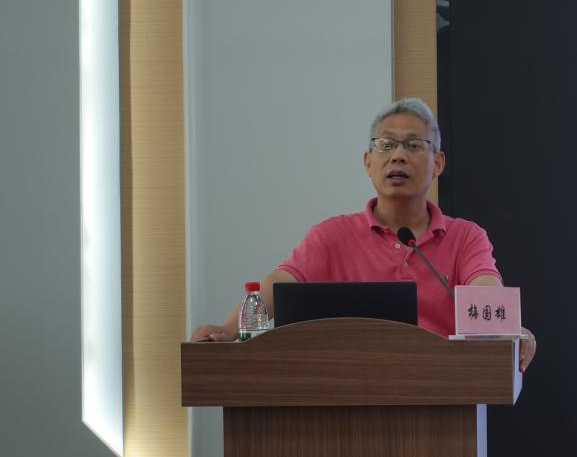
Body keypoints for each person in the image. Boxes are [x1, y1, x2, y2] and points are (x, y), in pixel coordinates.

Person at [191, 98, 537, 372]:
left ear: (438, 163)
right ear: (368, 162)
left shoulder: (465, 237)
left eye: (414, 145)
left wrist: (507, 329)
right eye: (386, 145)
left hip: (441, 390)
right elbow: (278, 284)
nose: (398, 155)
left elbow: (485, 291)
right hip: (349, 389)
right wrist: (229, 329)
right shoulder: (332, 236)